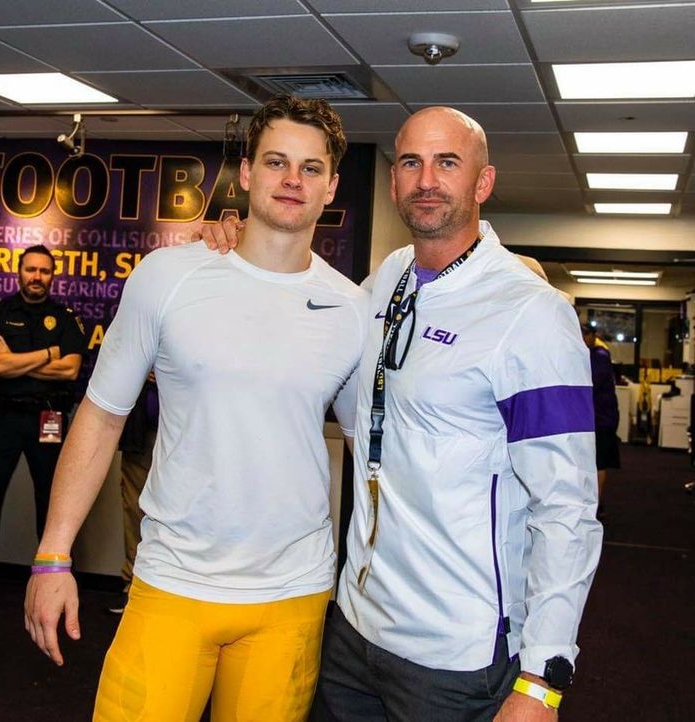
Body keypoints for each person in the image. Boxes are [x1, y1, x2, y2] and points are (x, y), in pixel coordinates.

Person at [203, 106, 602, 721]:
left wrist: (542, 678)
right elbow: (320, 366)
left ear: (483, 182)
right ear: (393, 184)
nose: (426, 180)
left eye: (448, 163)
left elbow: (567, 507)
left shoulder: (530, 314)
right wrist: (237, 248)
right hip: (356, 630)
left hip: (455, 652)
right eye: (411, 163)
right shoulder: (385, 281)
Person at [24, 95, 368, 722]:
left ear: (332, 186)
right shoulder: (168, 276)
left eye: (311, 168)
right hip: (173, 583)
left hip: (292, 593)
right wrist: (53, 554)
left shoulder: (353, 310)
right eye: (276, 162)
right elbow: (101, 417)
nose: (293, 181)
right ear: (246, 172)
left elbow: (374, 444)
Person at [0, 245, 86, 614]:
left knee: (53, 503)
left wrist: (14, 361)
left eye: (44, 271)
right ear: (19, 272)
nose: (37, 276)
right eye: (31, 269)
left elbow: (71, 370)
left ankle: (52, 585)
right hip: (0, 418)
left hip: (47, 419)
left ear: (52, 275)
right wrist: (48, 354)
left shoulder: (65, 318)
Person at [107, 373, 158, 615]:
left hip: (193, 434)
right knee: (135, 508)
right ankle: (133, 587)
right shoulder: (140, 333)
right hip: (142, 433)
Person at [582, 323, 620, 514]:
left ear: (593, 335)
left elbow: (589, 383)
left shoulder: (599, 356)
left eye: (585, 334)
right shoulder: (590, 354)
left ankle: (596, 506)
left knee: (599, 463)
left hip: (602, 418)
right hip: (591, 418)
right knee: (588, 462)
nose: (582, 338)